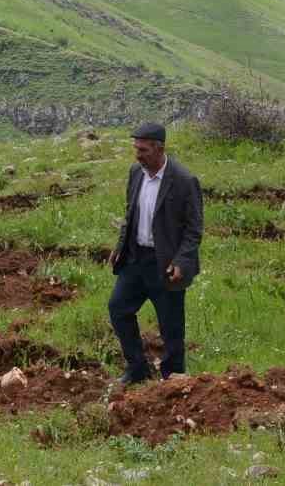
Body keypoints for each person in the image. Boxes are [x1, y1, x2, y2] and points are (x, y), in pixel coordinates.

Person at [108, 121, 204, 384]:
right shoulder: (135, 173)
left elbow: (194, 229)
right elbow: (130, 214)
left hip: (166, 265)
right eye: (135, 149)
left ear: (159, 148)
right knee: (118, 308)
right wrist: (119, 247)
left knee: (171, 327)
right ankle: (137, 368)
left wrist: (181, 261)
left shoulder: (184, 181)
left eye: (143, 150)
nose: (137, 155)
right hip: (136, 259)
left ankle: (173, 378)